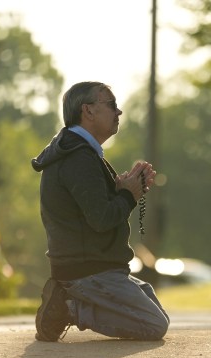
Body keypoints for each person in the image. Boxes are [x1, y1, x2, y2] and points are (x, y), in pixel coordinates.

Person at [30, 81, 169, 342]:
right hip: (88, 271)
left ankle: (69, 301)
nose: (119, 113)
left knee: (155, 310)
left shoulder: (79, 152)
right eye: (112, 105)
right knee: (153, 325)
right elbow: (102, 219)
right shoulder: (78, 158)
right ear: (88, 111)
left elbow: (92, 211)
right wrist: (128, 195)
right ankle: (68, 309)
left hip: (91, 267)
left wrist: (121, 190)